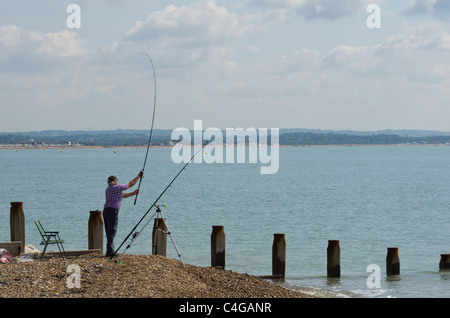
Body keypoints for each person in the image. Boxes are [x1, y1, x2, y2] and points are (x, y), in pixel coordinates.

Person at [103, 171, 144, 256]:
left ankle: (109, 250)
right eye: (116, 180)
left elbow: (121, 195)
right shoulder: (116, 187)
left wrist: (133, 193)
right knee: (112, 230)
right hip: (113, 211)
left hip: (106, 210)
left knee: (108, 230)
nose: (117, 182)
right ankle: (110, 251)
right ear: (114, 182)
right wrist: (138, 176)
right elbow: (130, 184)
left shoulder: (108, 189)